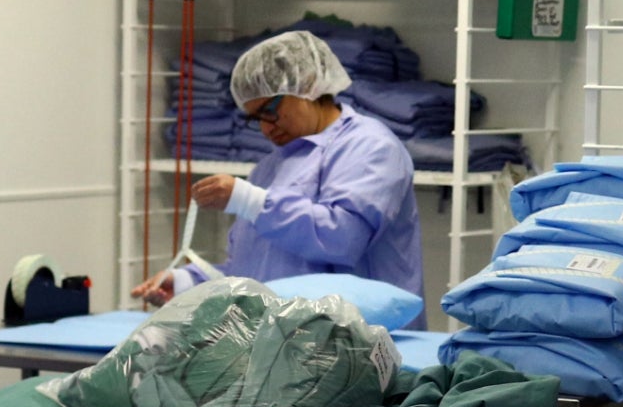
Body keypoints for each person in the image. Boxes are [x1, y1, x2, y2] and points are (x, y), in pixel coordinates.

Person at [130, 29, 421, 315]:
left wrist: (250, 200)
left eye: (269, 109)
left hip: (368, 345)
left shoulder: (370, 147)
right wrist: (188, 281)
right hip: (290, 344)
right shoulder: (270, 167)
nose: (265, 128)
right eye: (255, 118)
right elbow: (252, 272)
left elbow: (342, 240)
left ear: (307, 83)